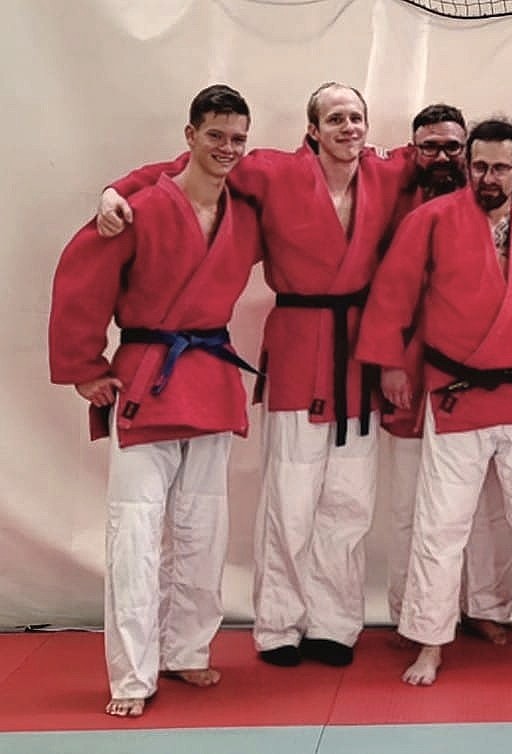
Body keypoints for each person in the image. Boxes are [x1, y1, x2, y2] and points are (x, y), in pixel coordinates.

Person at [97, 82, 416, 668]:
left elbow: (445, 159)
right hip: (298, 347)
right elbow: (196, 165)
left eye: (356, 118)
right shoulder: (272, 172)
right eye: (335, 118)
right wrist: (118, 190)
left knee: (349, 501)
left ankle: (335, 624)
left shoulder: (386, 173)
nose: (348, 128)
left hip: (358, 350)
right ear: (312, 129)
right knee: (290, 497)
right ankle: (278, 625)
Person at [355, 118, 512, 686]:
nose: (489, 177)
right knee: (440, 525)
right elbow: (393, 294)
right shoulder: (431, 221)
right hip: (456, 395)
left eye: (501, 167)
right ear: (468, 166)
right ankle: (430, 642)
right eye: (480, 166)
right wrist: (392, 363)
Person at [49, 84, 260, 717]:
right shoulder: (138, 209)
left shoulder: (246, 210)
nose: (227, 148)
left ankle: (187, 649)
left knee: (204, 528)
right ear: (190, 135)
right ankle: (132, 676)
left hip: (211, 378)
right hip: (148, 379)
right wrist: (85, 369)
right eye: (215, 135)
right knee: (135, 532)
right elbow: (82, 278)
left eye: (238, 138)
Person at [381, 104, 512, 646]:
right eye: (429, 147)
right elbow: (391, 293)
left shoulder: (499, 203)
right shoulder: (392, 193)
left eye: (452, 148)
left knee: (487, 502)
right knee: (411, 501)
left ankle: (486, 605)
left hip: (484, 370)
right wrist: (391, 361)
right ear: (412, 149)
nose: (441, 157)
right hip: (413, 364)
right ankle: (412, 613)